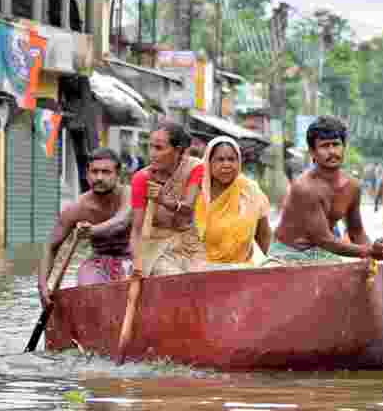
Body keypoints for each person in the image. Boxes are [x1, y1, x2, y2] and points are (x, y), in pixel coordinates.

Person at [270, 116, 383, 263]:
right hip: (287, 253)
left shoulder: (352, 186)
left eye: (336, 144)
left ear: (344, 147)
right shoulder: (305, 187)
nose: (332, 152)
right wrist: (370, 252)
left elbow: (357, 232)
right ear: (312, 152)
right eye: (324, 146)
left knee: (367, 270)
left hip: (322, 252)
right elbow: (324, 239)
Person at [37, 149, 132, 307]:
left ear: (118, 174)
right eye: (95, 172)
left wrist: (92, 230)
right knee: (87, 291)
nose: (99, 177)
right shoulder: (78, 207)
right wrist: (42, 286)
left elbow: (121, 221)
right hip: (99, 261)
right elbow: (50, 246)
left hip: (133, 259)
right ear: (87, 174)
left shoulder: (129, 194)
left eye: (106, 172)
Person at [128, 121, 204, 277]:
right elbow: (136, 229)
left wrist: (163, 199)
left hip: (190, 244)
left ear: (178, 151)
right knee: (171, 277)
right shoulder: (141, 178)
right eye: (150, 147)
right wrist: (136, 261)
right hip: (155, 247)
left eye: (159, 148)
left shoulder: (195, 168)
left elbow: (188, 209)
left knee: (205, 280)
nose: (152, 154)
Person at [193, 136, 272, 266]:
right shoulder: (196, 192)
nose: (226, 165)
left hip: (241, 271)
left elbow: (264, 235)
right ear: (209, 162)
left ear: (239, 162)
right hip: (201, 270)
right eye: (220, 159)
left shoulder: (250, 191)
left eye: (231, 159)